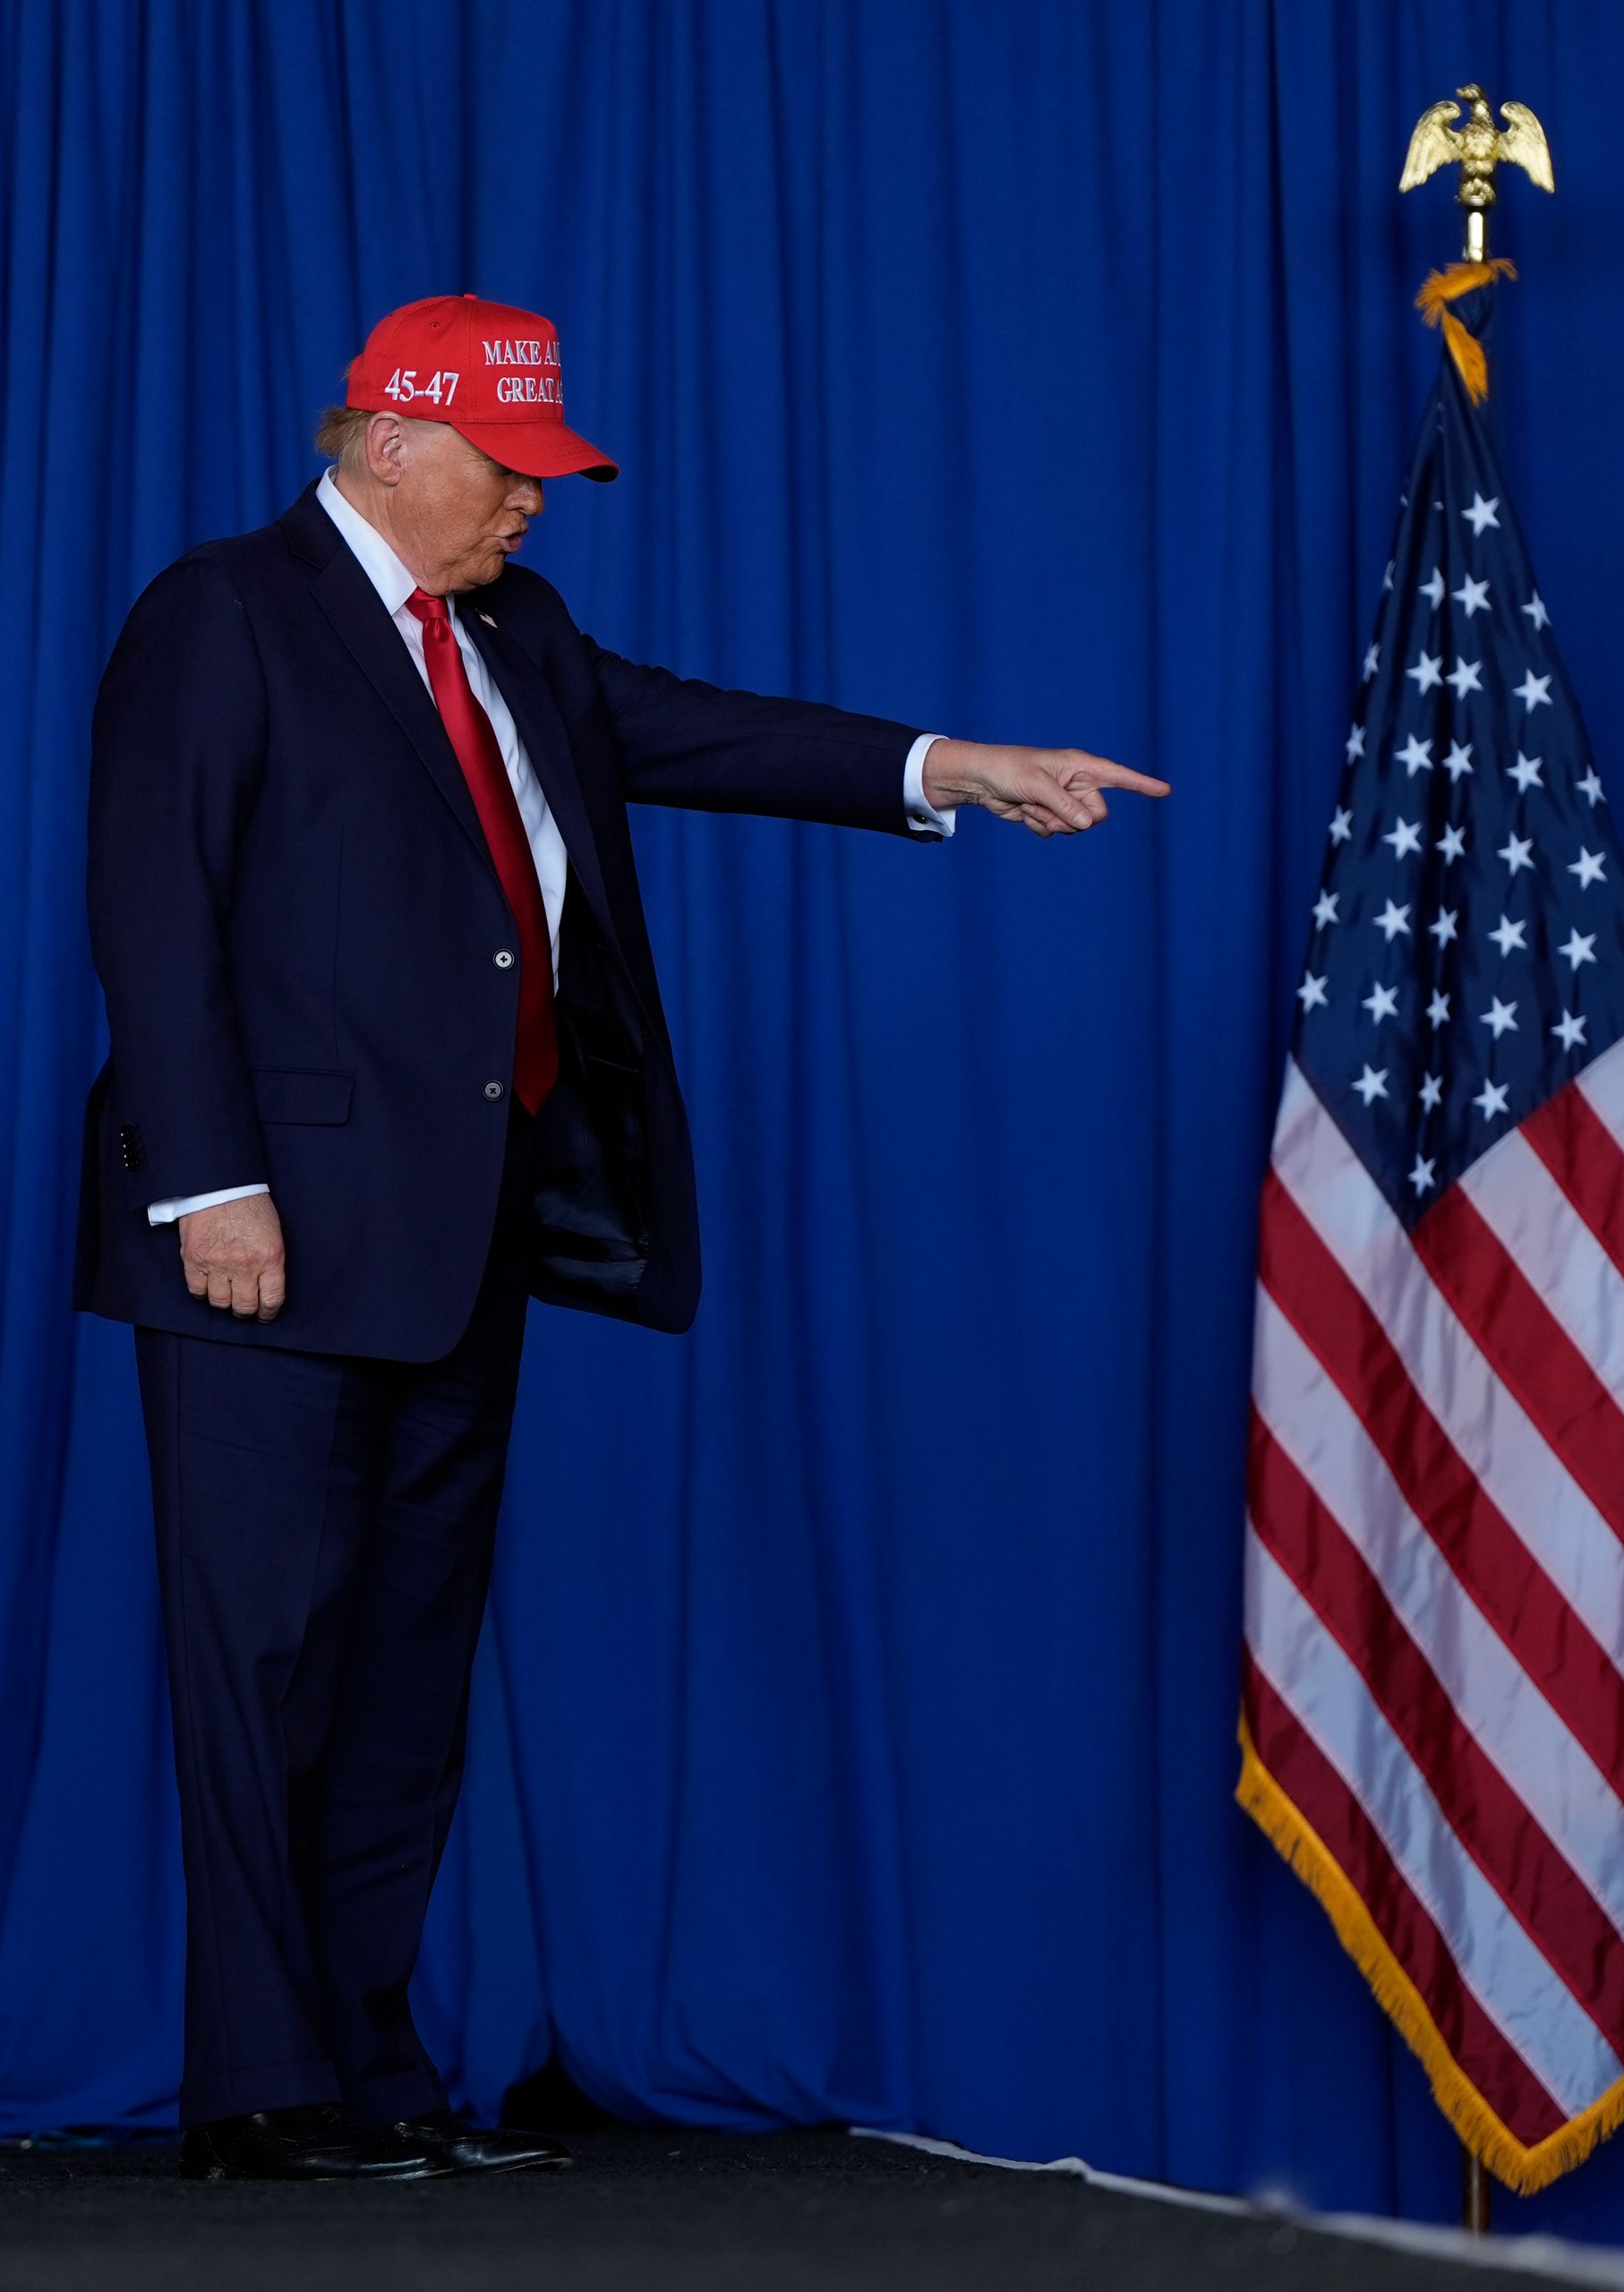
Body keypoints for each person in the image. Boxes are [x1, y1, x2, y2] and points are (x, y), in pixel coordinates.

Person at [79, 294, 1167, 2182]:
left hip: (467, 1227)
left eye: (546, 475)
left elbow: (691, 731)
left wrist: (943, 764)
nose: (533, 506)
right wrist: (208, 1184)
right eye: (510, 469)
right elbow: (152, 904)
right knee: (257, 1664)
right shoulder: (220, 613)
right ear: (389, 441)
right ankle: (254, 2091)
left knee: (409, 1671)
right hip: (257, 1234)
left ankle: (365, 2066)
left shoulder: (518, 628)